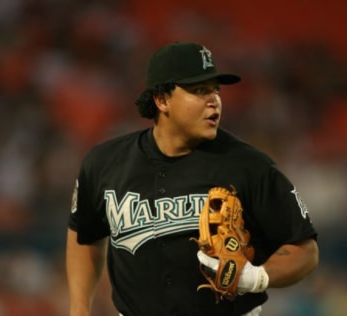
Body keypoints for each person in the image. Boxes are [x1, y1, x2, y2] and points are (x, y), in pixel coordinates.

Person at [66, 41, 319, 316]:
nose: (214, 100)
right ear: (162, 100)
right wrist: (79, 309)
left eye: (215, 90)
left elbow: (304, 249)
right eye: (199, 90)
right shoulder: (105, 164)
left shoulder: (249, 166)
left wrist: (257, 277)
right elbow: (85, 235)